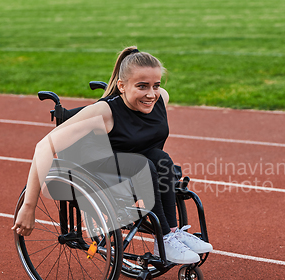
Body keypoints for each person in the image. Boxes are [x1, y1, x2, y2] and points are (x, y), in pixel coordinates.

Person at [12, 46, 212, 264]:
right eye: (142, 86)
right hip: (97, 166)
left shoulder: (161, 98)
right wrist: (29, 206)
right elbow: (44, 147)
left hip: (138, 162)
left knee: (162, 161)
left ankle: (172, 232)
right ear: (122, 86)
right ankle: (163, 238)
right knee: (146, 166)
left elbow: (149, 140)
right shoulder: (104, 112)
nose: (151, 94)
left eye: (156, 85)